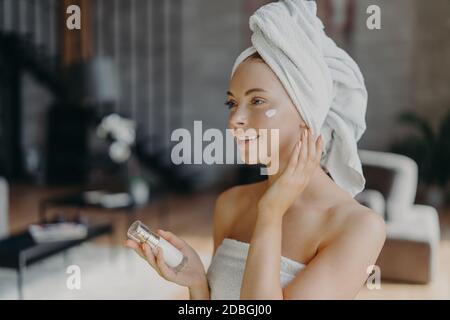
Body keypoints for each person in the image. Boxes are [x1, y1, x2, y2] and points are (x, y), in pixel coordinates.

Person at [126, 0, 386, 300]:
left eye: (257, 101)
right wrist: (198, 286)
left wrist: (270, 213)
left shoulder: (357, 226)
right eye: (232, 103)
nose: (235, 119)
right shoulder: (231, 204)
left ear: (307, 113)